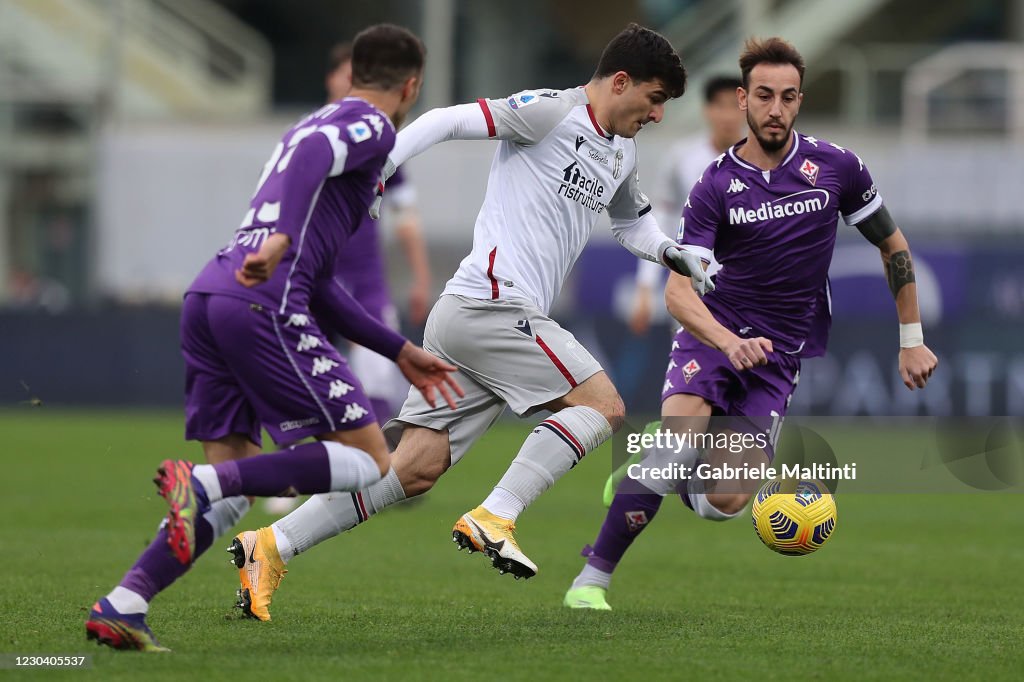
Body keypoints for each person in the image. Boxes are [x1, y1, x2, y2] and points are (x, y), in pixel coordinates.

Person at [220, 22, 710, 620]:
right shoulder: (549, 113)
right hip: (492, 303)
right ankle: (496, 514)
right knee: (602, 405)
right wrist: (377, 169)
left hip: (478, 320)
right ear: (622, 81)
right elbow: (443, 120)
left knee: (415, 467)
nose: (657, 115)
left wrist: (671, 253)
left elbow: (630, 222)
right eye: (655, 99)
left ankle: (271, 545)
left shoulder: (622, 148)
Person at [84, 24, 460, 650]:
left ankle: (124, 603)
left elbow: (322, 284)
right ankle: (200, 484)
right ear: (411, 85)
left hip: (213, 294)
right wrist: (285, 235)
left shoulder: (304, 129)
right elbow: (308, 210)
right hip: (262, 303)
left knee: (235, 487)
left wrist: (397, 349)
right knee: (369, 461)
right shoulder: (371, 126)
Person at [564, 36, 939, 611]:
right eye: (764, 95)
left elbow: (893, 246)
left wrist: (911, 339)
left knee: (727, 501)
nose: (775, 109)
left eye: (787, 97)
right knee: (673, 448)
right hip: (712, 336)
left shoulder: (837, 168)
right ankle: (592, 580)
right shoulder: (715, 185)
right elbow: (678, 290)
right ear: (743, 99)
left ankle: (651, 479)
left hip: (778, 356)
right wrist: (726, 340)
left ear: (799, 100)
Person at [262, 42, 437, 516]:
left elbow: (405, 218)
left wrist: (421, 277)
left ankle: (382, 471)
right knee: (299, 374)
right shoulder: (313, 137)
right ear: (334, 81)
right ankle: (297, 471)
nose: (348, 85)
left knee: (377, 373)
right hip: (309, 278)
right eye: (343, 76)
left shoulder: (380, 144)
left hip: (363, 282)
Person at [628, 75, 743, 336]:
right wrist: (645, 287)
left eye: (734, 105)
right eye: (719, 105)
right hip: (693, 292)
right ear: (707, 110)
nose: (727, 115)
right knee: (690, 373)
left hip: (747, 293)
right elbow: (662, 218)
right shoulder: (682, 157)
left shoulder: (762, 162)